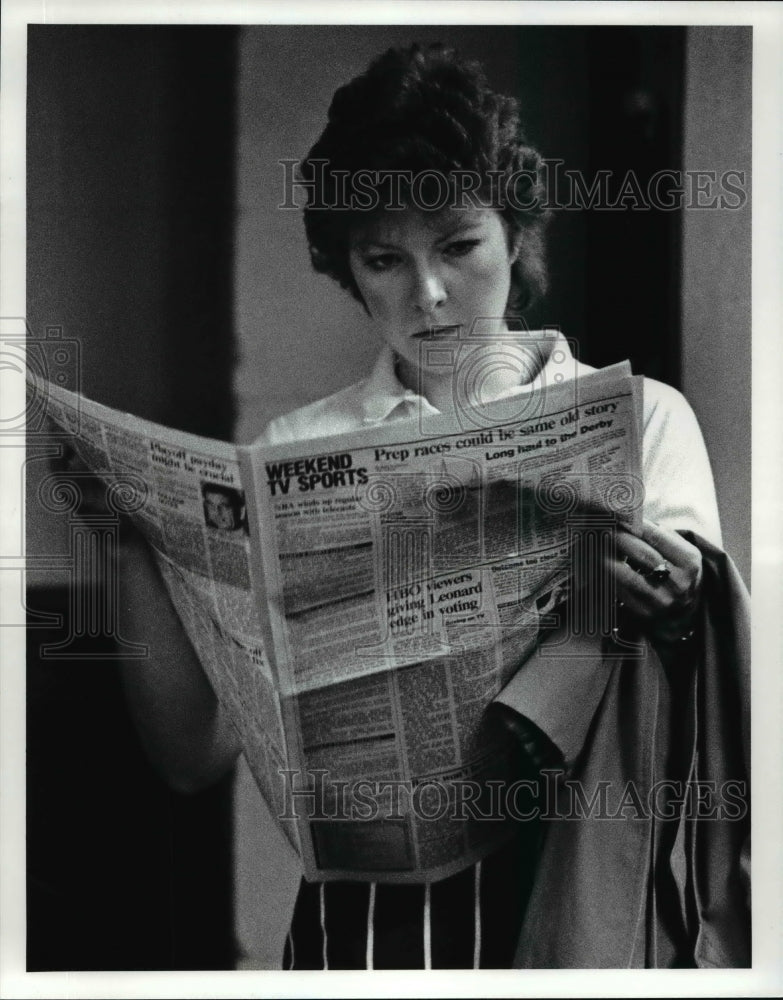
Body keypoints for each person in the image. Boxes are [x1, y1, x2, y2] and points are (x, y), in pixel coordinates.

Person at [120, 43, 745, 969]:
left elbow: (704, 697)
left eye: (458, 244)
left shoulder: (641, 419)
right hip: (364, 932)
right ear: (348, 269)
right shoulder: (295, 451)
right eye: (384, 259)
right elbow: (192, 757)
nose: (430, 294)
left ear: (513, 234)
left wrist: (683, 596)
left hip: (581, 895)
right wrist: (135, 543)